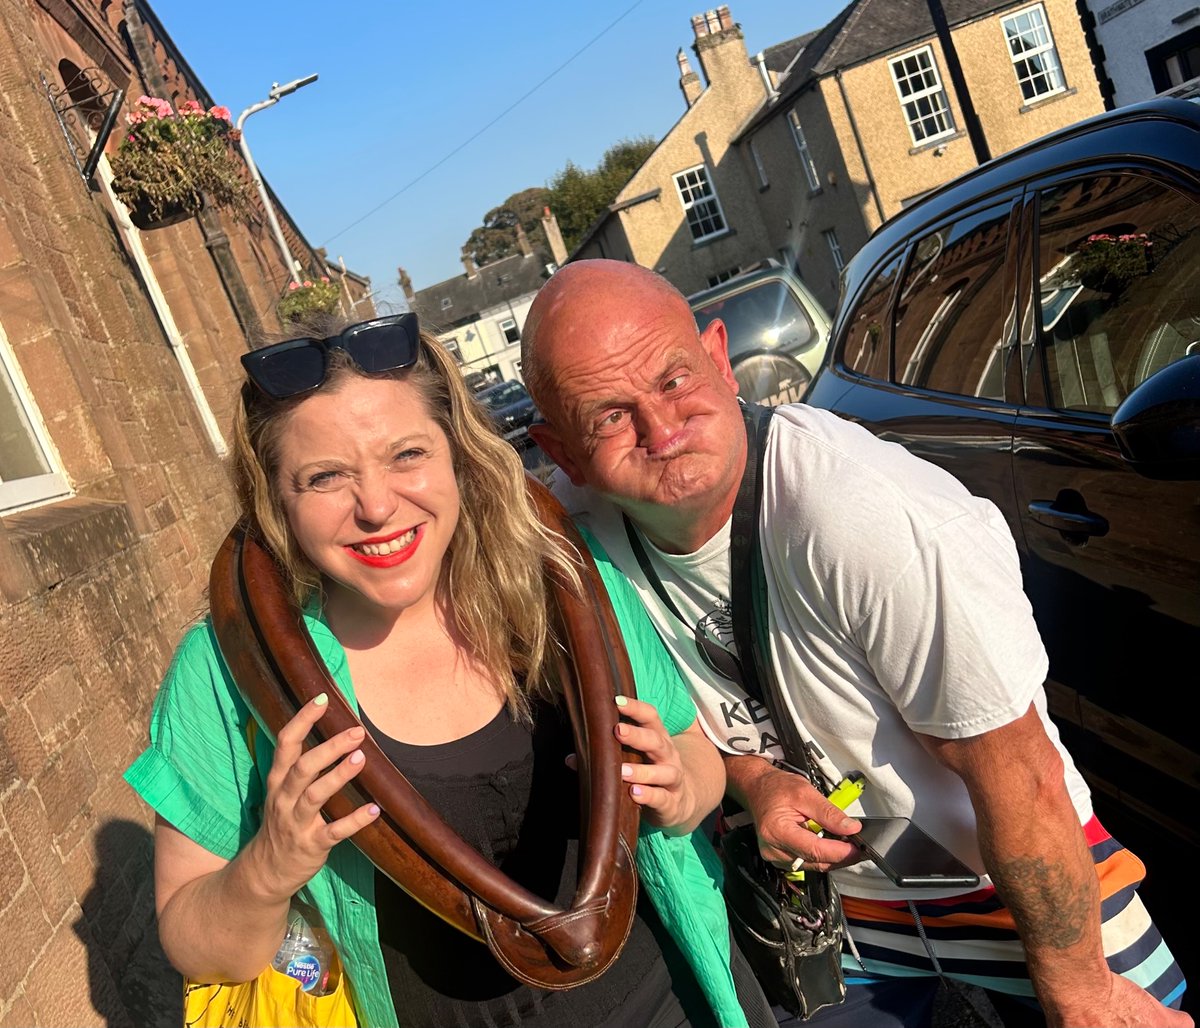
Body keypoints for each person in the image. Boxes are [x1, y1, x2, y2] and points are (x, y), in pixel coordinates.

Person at [521, 259, 1191, 1028]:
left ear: (718, 356)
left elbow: (1016, 769)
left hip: (1019, 898)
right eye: (608, 416)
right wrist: (755, 782)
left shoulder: (867, 514)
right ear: (561, 450)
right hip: (837, 928)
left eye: (674, 380)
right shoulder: (570, 543)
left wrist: (1079, 991)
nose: (660, 429)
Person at [124, 312, 777, 1028]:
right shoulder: (229, 669)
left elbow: (694, 757)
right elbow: (195, 943)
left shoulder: (561, 584)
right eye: (324, 477)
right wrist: (269, 867)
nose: (376, 507)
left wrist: (684, 790)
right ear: (275, 499)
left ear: (457, 455)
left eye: (407, 456)